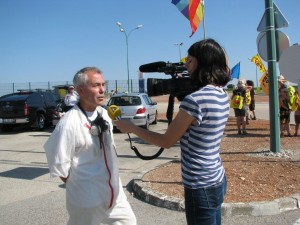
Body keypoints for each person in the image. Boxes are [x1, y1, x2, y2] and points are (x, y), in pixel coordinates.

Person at [116, 39, 230, 225]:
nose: (186, 65)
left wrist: (132, 128)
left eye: (190, 60)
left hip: (199, 184)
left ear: (203, 63)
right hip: (217, 178)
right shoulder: (221, 93)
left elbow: (166, 141)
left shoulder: (194, 100)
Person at [44, 67, 136, 225]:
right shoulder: (68, 123)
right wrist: (84, 190)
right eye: (95, 85)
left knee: (130, 222)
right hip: (87, 202)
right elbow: (59, 165)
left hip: (115, 197)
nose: (102, 90)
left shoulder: (104, 114)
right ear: (80, 90)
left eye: (103, 84)